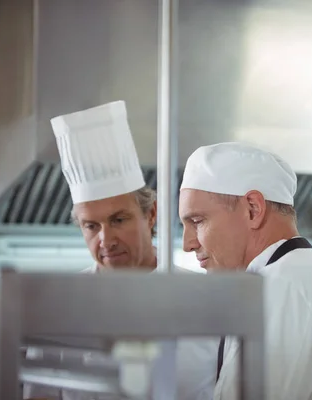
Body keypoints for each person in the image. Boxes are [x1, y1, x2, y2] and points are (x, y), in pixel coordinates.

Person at [23, 101, 218, 400]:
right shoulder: (59, 306)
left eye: (118, 220)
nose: (105, 240)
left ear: (150, 214)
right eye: (91, 226)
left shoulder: (208, 300)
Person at [178, 142, 312, 400]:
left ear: (253, 209)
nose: (188, 243)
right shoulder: (296, 276)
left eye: (197, 221)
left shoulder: (284, 285)